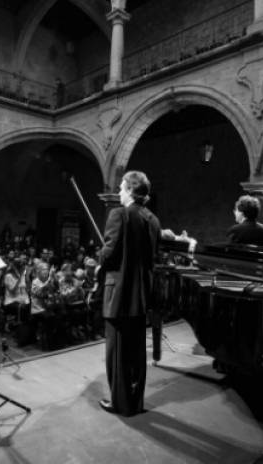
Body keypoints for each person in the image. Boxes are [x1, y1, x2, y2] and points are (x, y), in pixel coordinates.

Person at [99, 170, 161, 417]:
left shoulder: (120, 214)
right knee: (136, 352)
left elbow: (110, 253)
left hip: (119, 294)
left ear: (131, 190)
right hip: (142, 294)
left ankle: (120, 403)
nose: (119, 192)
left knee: (117, 353)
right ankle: (135, 402)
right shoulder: (152, 219)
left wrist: (100, 256)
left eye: (122, 188)